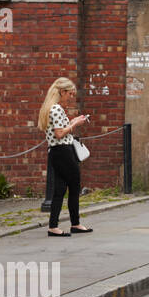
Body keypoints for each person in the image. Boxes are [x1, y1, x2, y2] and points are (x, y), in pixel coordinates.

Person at [37, 77, 91, 236]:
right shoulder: (57, 109)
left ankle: (53, 226)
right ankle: (75, 223)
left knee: (60, 189)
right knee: (74, 185)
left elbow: (59, 130)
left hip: (56, 152)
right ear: (62, 92)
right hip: (63, 151)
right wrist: (75, 125)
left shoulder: (50, 108)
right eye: (70, 94)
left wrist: (72, 121)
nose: (71, 97)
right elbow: (60, 133)